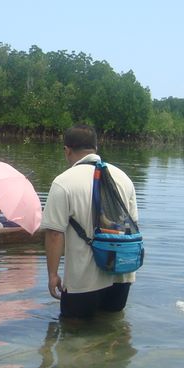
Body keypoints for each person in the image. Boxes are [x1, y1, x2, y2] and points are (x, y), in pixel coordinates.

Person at [41, 124, 139, 318]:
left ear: (67, 150)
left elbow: (54, 234)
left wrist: (52, 275)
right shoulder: (123, 178)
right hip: (122, 273)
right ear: (96, 148)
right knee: (112, 326)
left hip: (83, 280)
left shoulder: (63, 182)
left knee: (73, 331)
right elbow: (133, 225)